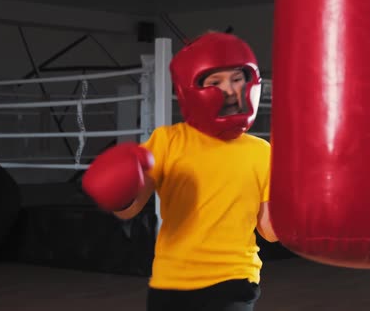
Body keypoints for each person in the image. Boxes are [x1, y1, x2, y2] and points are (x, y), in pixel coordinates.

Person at [81, 31, 277, 311]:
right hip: (171, 279)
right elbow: (129, 210)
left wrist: (301, 200)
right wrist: (118, 189)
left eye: (237, 79)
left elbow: (270, 231)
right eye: (216, 82)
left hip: (233, 280)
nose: (231, 90)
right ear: (191, 89)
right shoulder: (167, 141)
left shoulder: (261, 151)